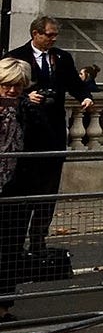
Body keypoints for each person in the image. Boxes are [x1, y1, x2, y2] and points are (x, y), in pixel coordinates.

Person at [4, 14, 95, 280]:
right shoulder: (16, 56)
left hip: (53, 134)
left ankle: (38, 240)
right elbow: (6, 88)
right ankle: (16, 245)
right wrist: (25, 95)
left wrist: (85, 96)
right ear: (35, 33)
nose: (53, 39)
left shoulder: (62, 58)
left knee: (48, 193)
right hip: (27, 140)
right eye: (49, 35)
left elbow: (75, 84)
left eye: (55, 35)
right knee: (24, 197)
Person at [0, 57, 35, 316]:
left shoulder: (25, 110)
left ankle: (3, 305)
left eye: (18, 87)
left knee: (10, 246)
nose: (12, 91)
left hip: (15, 187)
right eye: (7, 86)